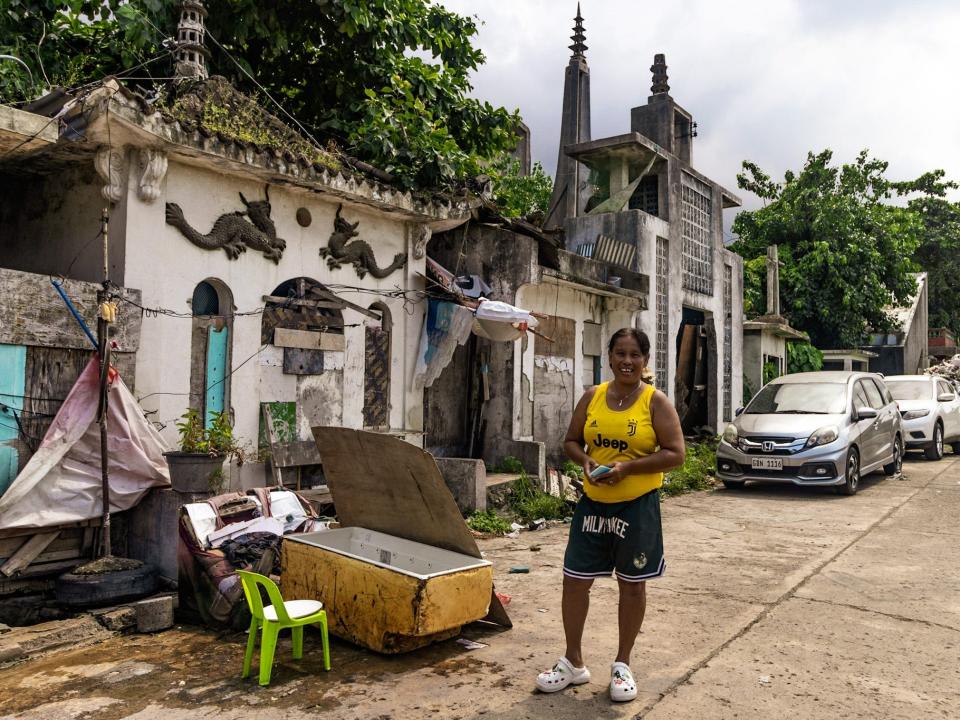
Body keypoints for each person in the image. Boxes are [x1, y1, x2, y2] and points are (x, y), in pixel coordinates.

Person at [535, 328, 685, 702]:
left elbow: (676, 454)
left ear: (645, 360)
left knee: (632, 584)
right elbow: (571, 440)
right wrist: (586, 461)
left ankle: (622, 664)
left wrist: (627, 469)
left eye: (635, 354)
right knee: (575, 580)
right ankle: (573, 662)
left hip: (637, 508)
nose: (627, 361)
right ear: (610, 357)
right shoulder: (593, 397)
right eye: (620, 353)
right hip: (592, 506)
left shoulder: (655, 402)